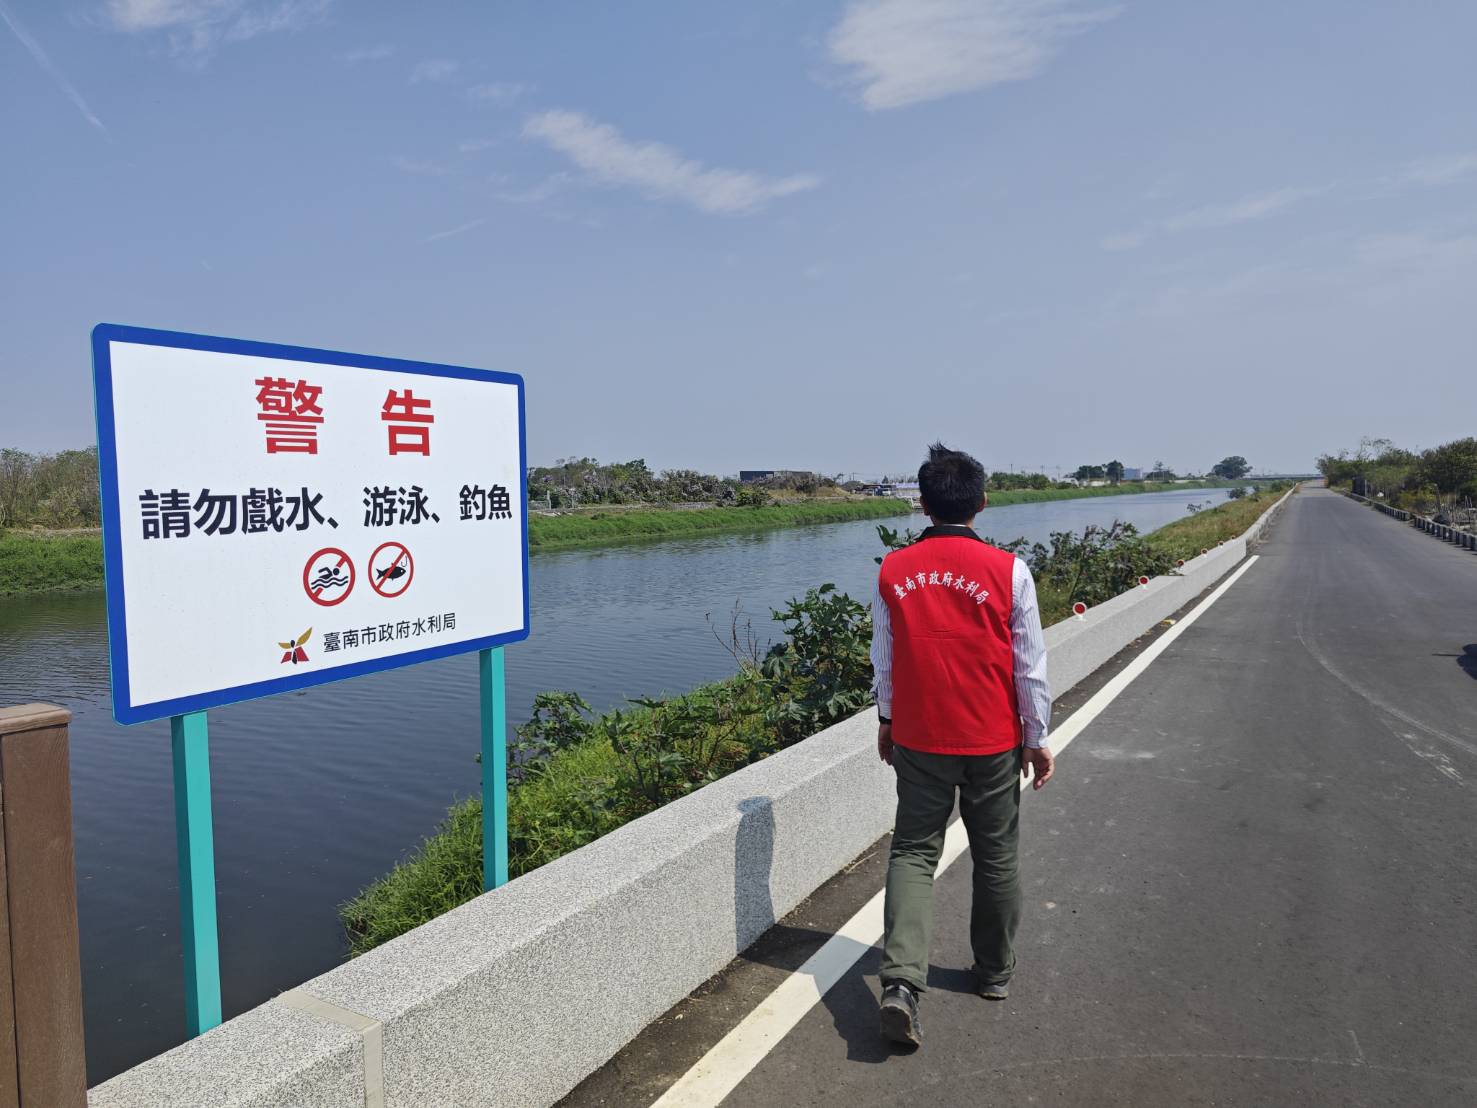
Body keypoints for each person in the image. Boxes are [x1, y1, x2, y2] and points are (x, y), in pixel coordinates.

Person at [870, 443, 1054, 1048]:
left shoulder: (893, 571)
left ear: (922, 504)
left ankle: (900, 983)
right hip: (993, 740)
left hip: (921, 737)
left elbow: (886, 659)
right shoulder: (1010, 570)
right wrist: (1037, 737)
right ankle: (994, 972)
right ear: (982, 501)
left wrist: (887, 719)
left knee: (913, 854)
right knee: (995, 855)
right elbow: (1028, 667)